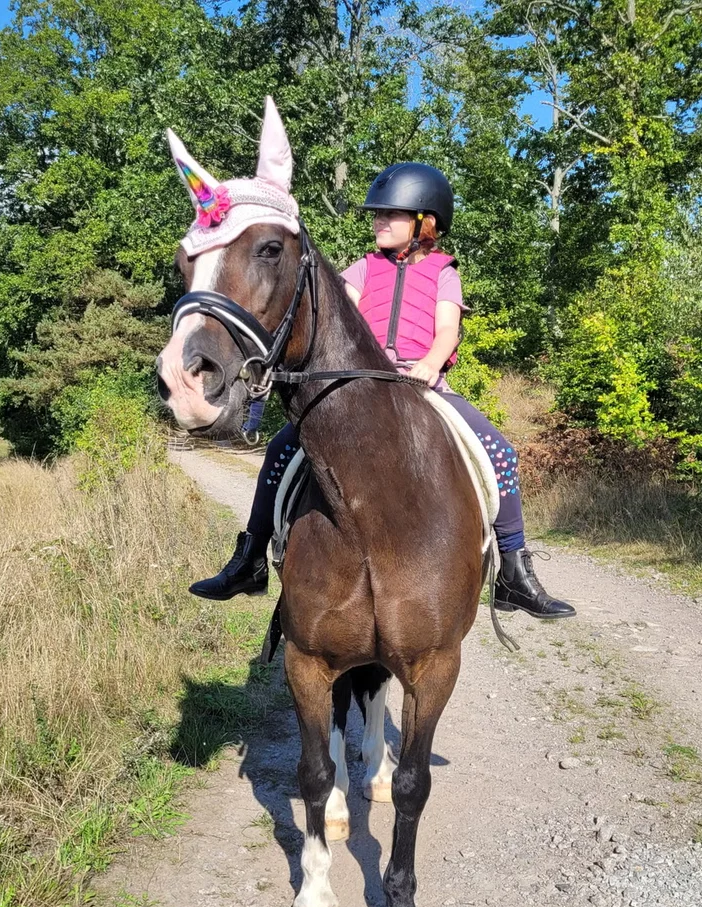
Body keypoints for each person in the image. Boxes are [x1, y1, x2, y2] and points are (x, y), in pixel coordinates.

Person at [189, 163, 575, 620]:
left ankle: (514, 570)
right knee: (279, 451)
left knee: (502, 454)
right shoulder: (363, 269)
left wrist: (430, 364)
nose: (379, 221)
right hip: (359, 387)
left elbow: (447, 330)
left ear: (424, 221)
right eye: (377, 214)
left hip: (423, 383)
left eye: (391, 214)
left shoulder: (444, 273)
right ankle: (250, 558)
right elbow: (338, 316)